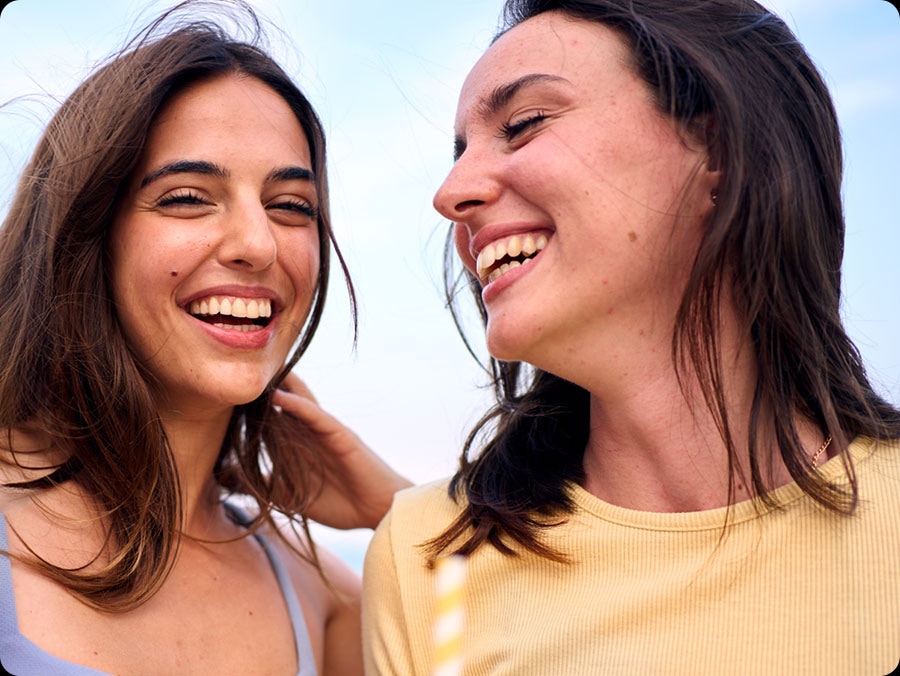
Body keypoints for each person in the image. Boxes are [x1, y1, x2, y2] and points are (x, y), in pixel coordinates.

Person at [362, 0, 900, 673]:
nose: (450, 193)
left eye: (523, 125)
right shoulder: (426, 561)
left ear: (717, 148)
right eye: (461, 151)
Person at [0, 1, 407, 673]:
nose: (258, 243)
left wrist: (397, 512)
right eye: (187, 198)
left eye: (291, 207)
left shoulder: (324, 598)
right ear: (85, 234)